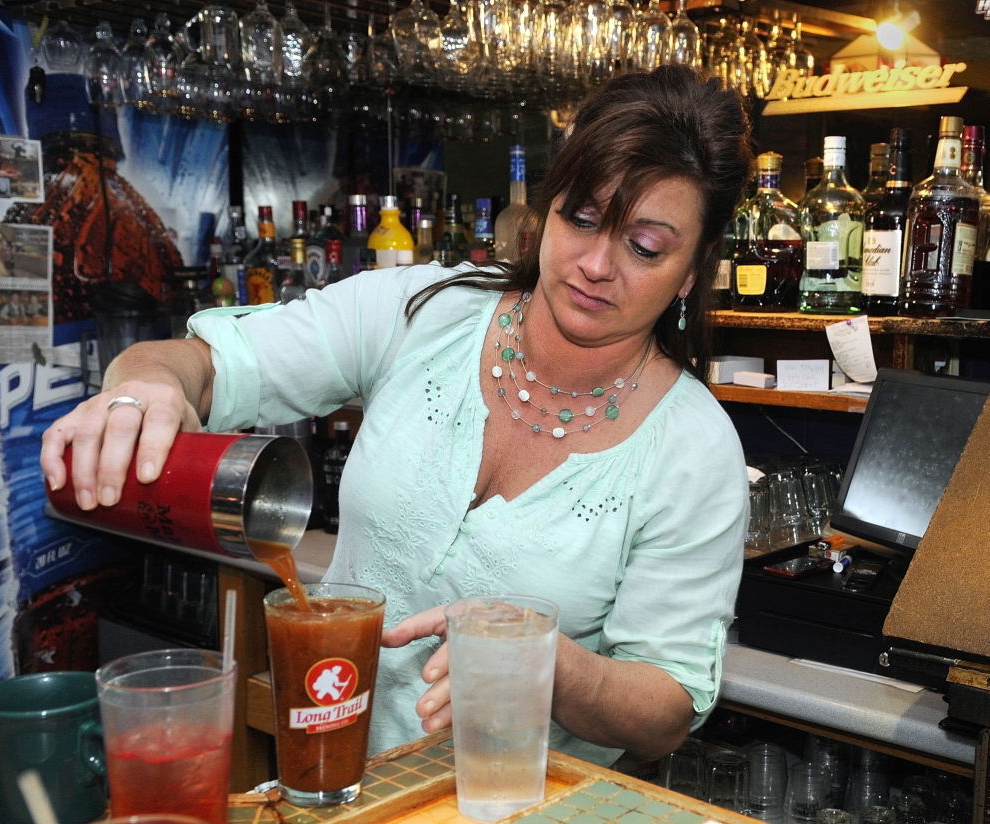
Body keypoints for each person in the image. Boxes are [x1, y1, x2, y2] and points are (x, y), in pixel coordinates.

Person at [41, 67, 755, 767]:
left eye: (644, 247)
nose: (597, 263)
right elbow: (196, 362)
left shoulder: (691, 449)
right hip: (333, 782)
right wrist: (145, 388)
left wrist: (549, 665)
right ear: (545, 210)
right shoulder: (421, 311)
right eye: (582, 217)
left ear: (691, 271)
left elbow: (666, 707)